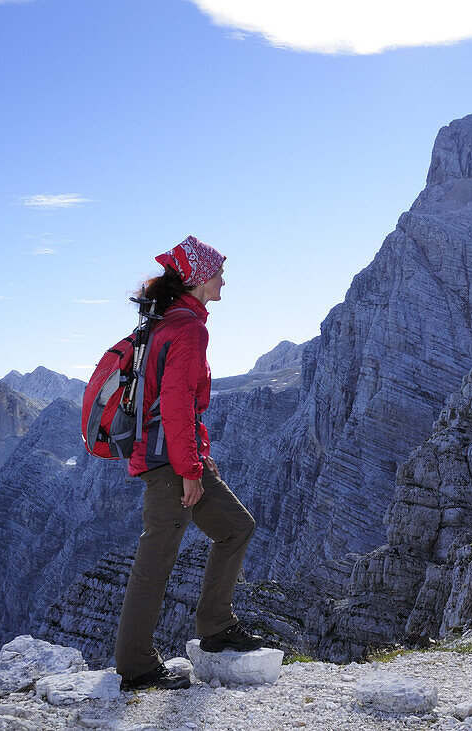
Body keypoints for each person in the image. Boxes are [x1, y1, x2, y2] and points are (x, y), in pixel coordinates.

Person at [114, 236, 263, 692]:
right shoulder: (188, 328)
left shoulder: (170, 322)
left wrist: (198, 453)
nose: (224, 278)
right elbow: (176, 403)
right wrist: (189, 471)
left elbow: (177, 404)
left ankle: (216, 627)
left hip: (173, 456)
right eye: (218, 271)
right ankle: (136, 667)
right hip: (168, 466)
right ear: (199, 278)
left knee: (236, 525)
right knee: (154, 560)